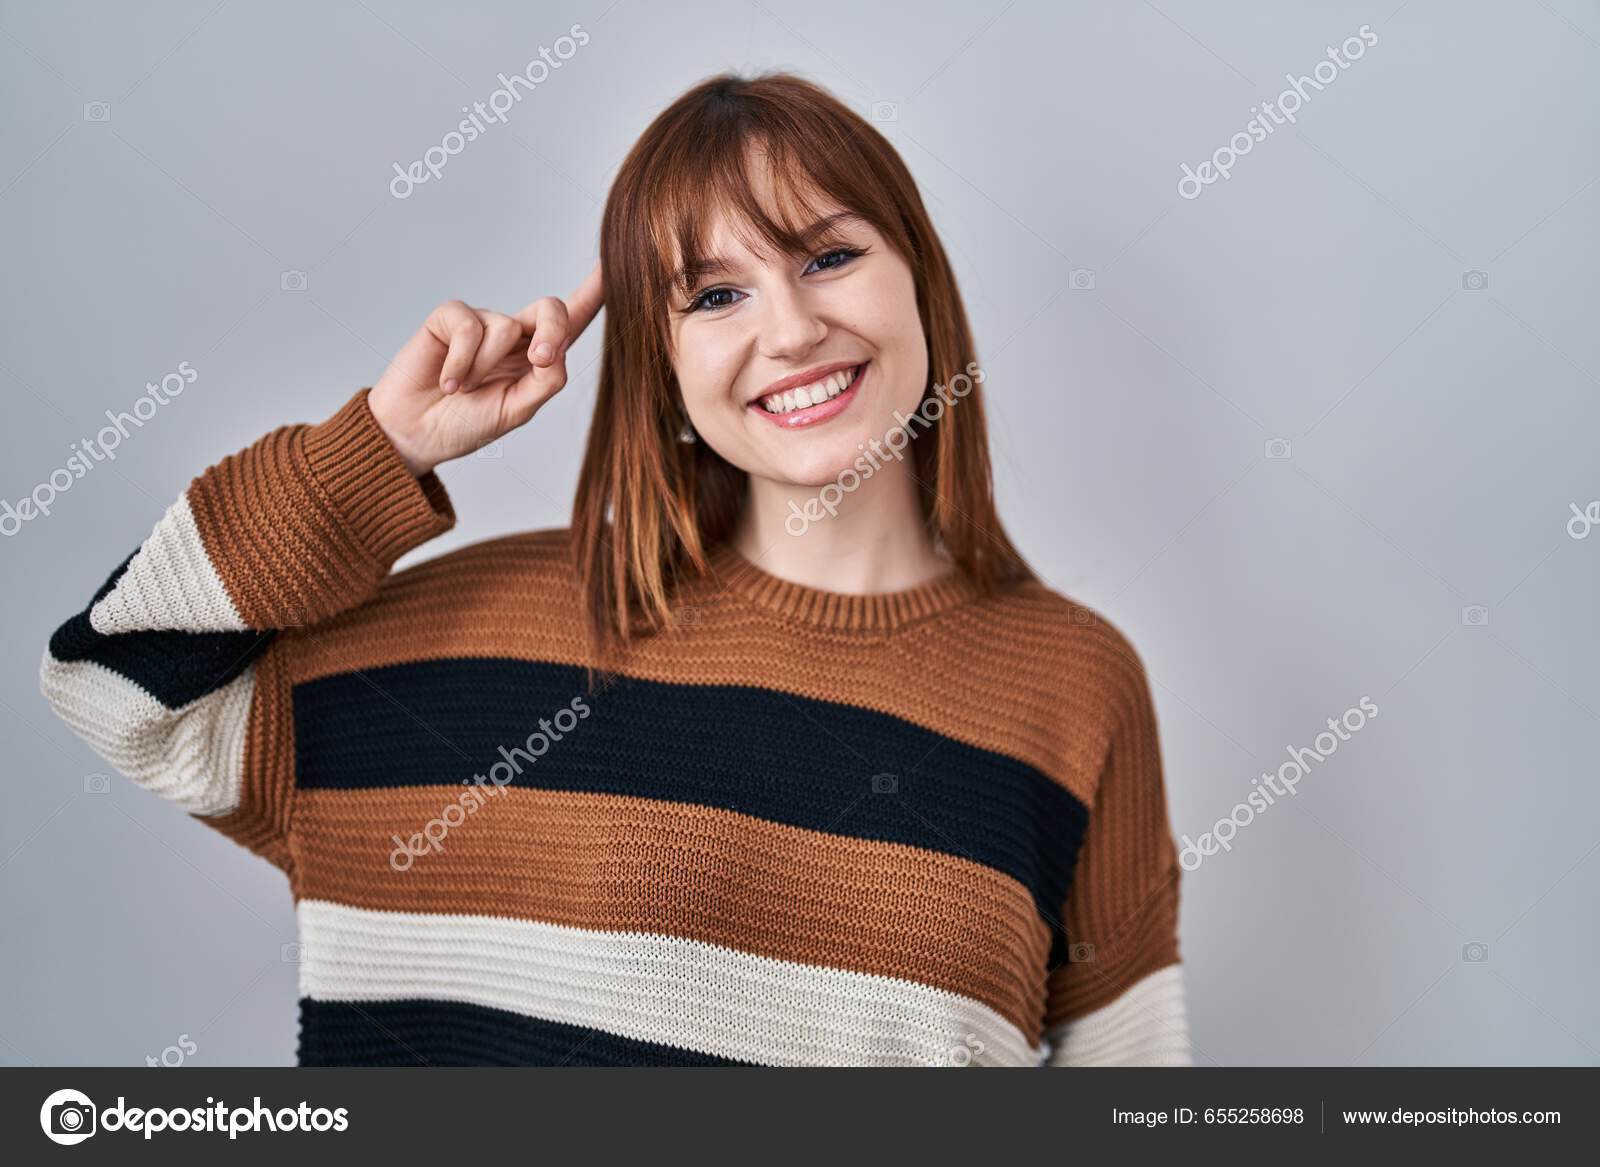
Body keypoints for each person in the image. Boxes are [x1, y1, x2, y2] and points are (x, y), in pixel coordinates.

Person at [40, 72, 1192, 1067]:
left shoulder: (1074, 685)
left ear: (920, 283)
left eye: (829, 256)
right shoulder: (467, 641)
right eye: (716, 295)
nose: (788, 330)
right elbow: (114, 678)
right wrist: (373, 456)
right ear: (663, 365)